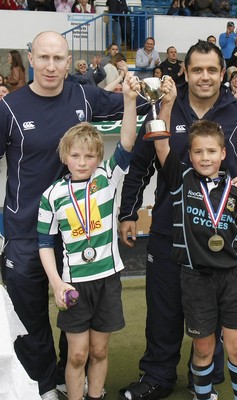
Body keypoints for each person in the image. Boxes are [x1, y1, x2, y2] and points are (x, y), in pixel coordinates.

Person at [0, 30, 149, 400]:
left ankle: (73, 382)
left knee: (76, 322)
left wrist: (140, 88)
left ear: (69, 62)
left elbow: (135, 112)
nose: (51, 66)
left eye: (59, 59)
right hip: (24, 236)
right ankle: (44, 386)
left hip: (77, 238)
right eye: (44, 58)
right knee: (30, 320)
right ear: (30, 58)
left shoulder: (84, 94)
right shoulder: (9, 108)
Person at [118, 40, 237, 400]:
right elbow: (140, 164)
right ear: (185, 71)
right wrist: (127, 213)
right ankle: (157, 377)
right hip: (170, 235)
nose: (204, 76)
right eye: (197, 69)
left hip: (220, 243)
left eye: (212, 70)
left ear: (225, 73)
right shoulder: (164, 105)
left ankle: (207, 380)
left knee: (213, 319)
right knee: (163, 313)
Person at [153, 85, 237, 400]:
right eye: (198, 151)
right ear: (189, 155)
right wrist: (169, 103)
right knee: (203, 348)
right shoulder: (181, 180)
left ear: (223, 153)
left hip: (231, 278)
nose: (205, 157)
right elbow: (161, 143)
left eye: (212, 151)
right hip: (195, 278)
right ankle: (203, 395)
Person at [37, 72, 139, 400]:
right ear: (65, 156)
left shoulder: (107, 178)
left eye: (89, 156)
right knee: (77, 354)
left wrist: (129, 101)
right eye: (76, 156)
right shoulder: (52, 194)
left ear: (98, 157)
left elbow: (126, 142)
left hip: (107, 280)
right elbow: (44, 244)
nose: (82, 162)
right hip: (73, 284)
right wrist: (57, 283)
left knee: (98, 352)